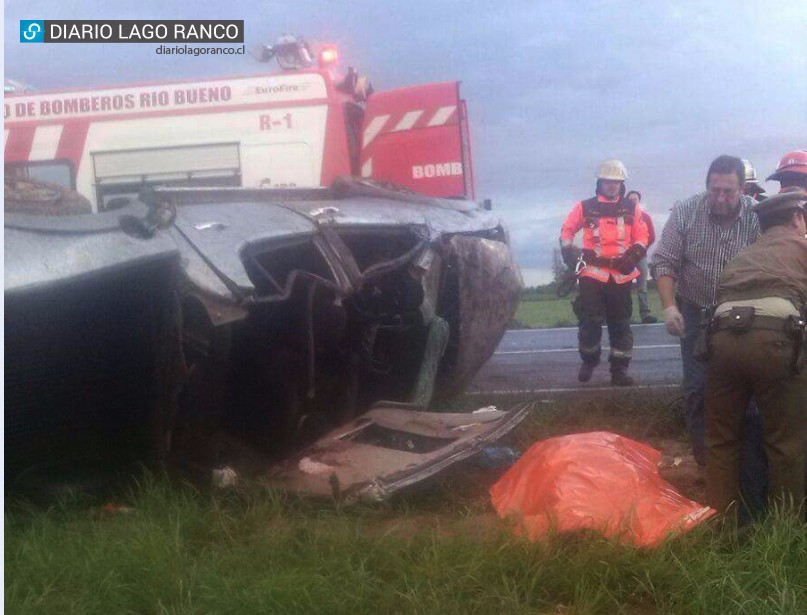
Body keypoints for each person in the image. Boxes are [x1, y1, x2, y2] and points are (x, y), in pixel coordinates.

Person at [704, 189, 807, 520]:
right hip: (773, 340)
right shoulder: (802, 246)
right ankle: (785, 532)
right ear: (796, 219)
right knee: (785, 442)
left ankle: (720, 526)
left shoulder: (743, 256)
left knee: (721, 439)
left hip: (720, 340)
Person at [651, 155, 760, 466]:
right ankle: (706, 463)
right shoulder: (686, 211)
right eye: (714, 190)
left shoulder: (758, 216)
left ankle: (747, 463)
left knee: (746, 388)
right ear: (707, 186)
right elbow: (664, 261)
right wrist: (670, 307)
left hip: (742, 314)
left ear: (743, 188)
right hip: (695, 310)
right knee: (698, 388)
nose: (720, 198)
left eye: (728, 191)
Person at [560, 159, 649, 386]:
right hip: (592, 272)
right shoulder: (585, 206)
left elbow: (642, 235)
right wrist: (568, 251)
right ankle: (589, 359)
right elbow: (567, 229)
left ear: (622, 185)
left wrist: (634, 256)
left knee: (621, 323)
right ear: (600, 183)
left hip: (621, 273)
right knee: (589, 321)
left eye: (616, 182)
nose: (612, 186)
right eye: (608, 182)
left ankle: (619, 370)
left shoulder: (633, 208)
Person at [626, 190, 658, 323]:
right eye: (631, 199)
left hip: (641, 257)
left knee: (642, 286)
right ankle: (624, 315)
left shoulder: (645, 217)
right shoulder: (622, 217)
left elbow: (651, 236)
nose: (633, 201)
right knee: (623, 286)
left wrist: (639, 251)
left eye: (635, 199)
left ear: (639, 201)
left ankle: (645, 314)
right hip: (625, 258)